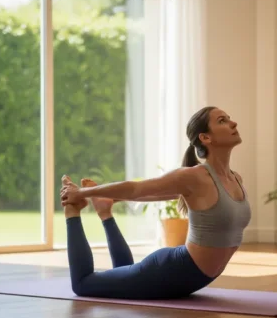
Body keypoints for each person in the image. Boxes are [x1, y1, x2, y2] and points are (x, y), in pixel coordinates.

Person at [59, 106, 251, 300]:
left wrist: (111, 199)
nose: (232, 123)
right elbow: (137, 189)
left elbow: (166, 196)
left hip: (193, 280)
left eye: (229, 118)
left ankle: (105, 212)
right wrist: (81, 193)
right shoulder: (194, 176)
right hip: (171, 272)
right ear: (205, 138)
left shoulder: (236, 179)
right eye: (222, 121)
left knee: (125, 271)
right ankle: (72, 211)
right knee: (83, 284)